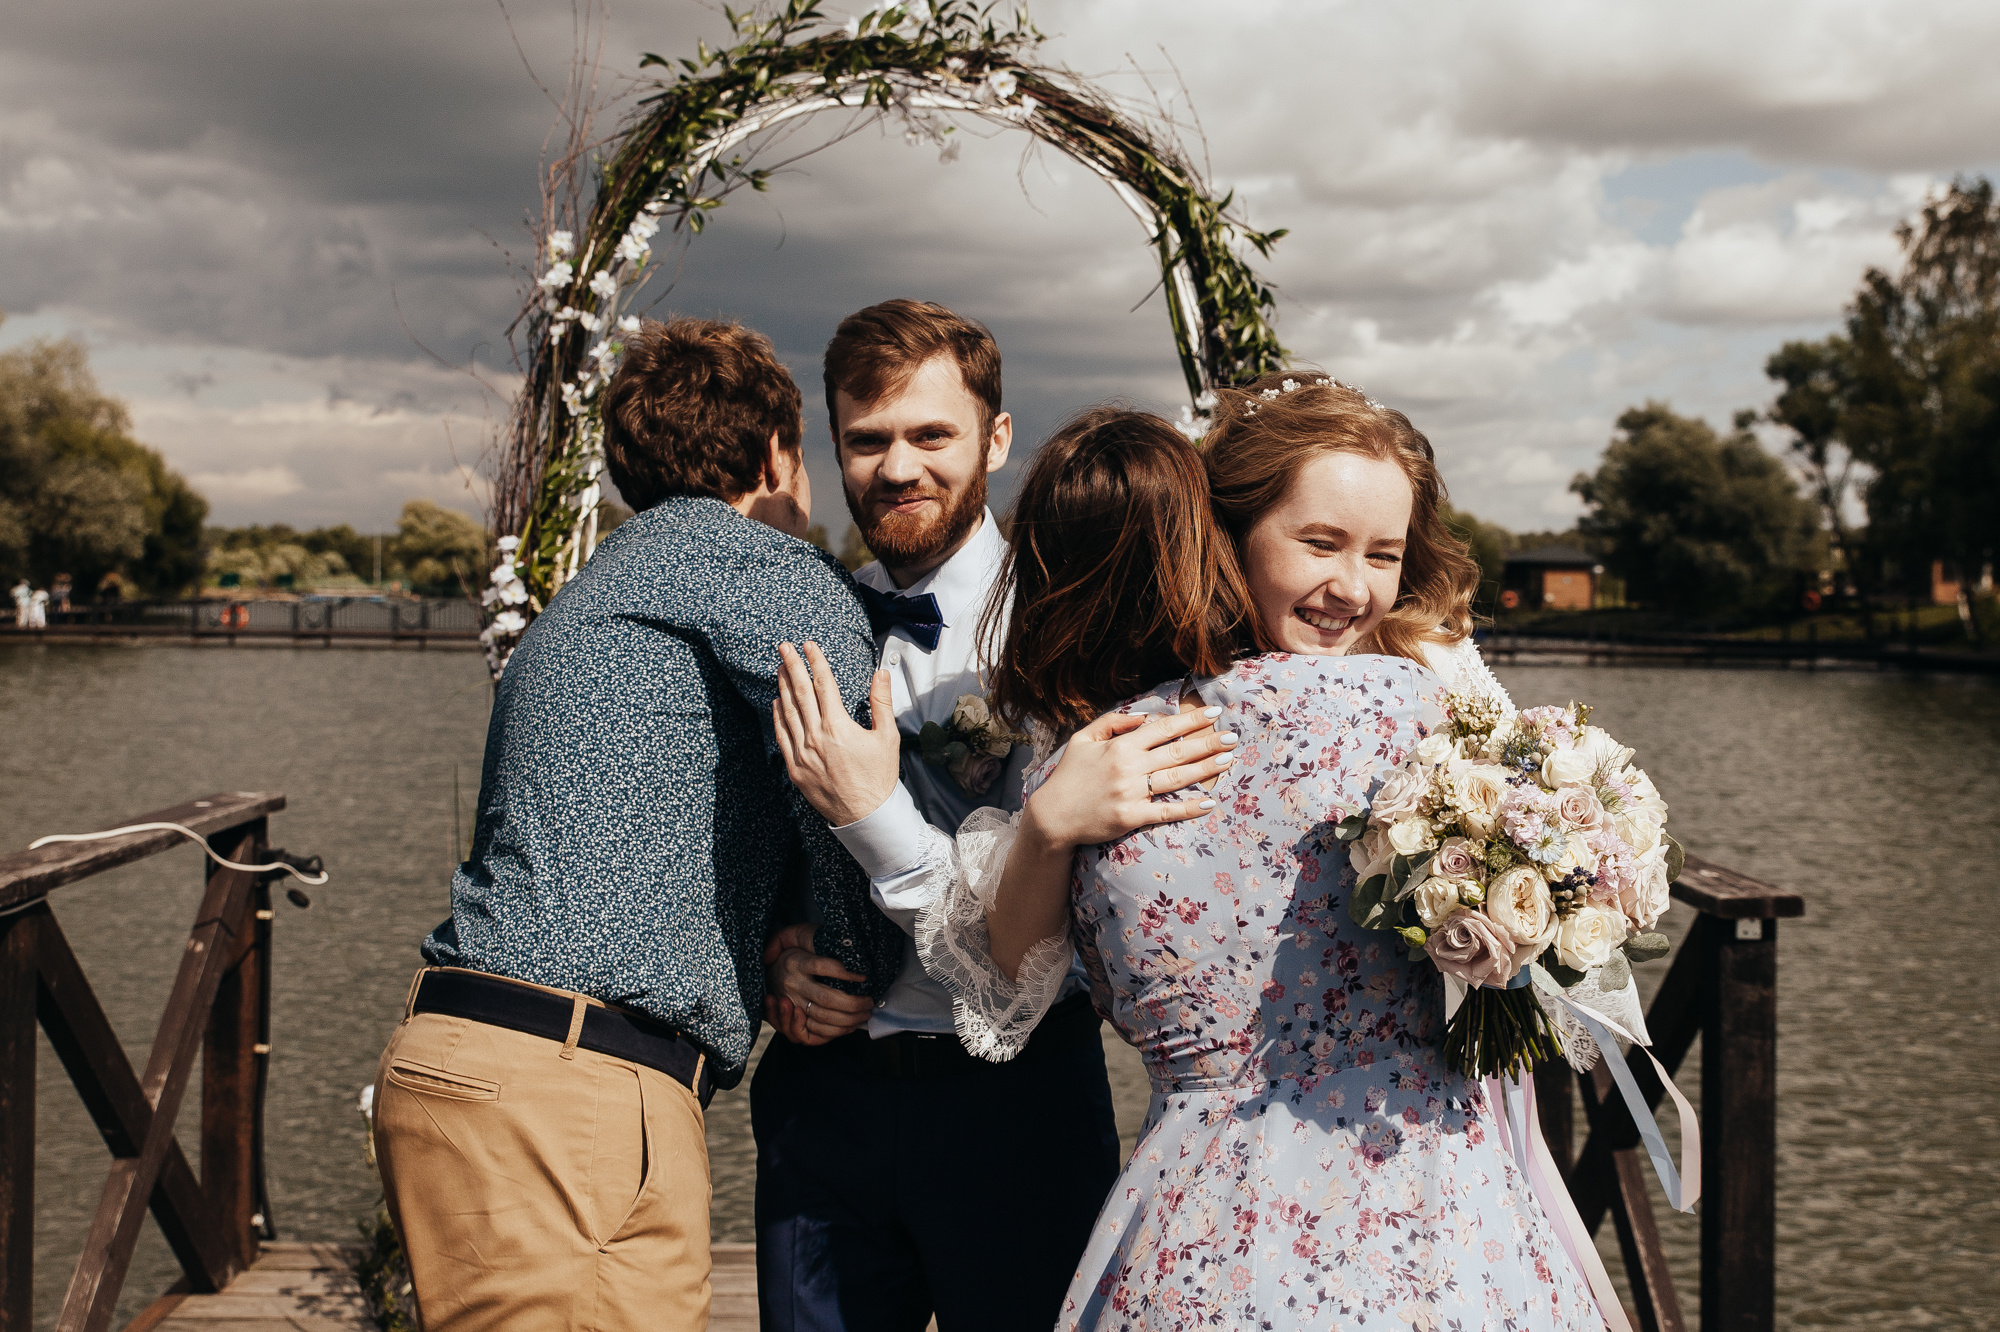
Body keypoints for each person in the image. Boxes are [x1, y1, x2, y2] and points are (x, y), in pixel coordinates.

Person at [782, 387, 1600, 1328]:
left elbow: (1006, 987)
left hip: (1206, 1215)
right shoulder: (1431, 721)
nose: (1354, 587)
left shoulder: (1111, 736)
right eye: (1321, 544)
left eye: (1384, 555)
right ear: (1229, 535)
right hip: (1442, 1215)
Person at [369, 316, 907, 1332]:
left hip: (452, 1057)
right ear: (775, 454)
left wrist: (766, 948)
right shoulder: (765, 571)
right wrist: (850, 967)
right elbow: (842, 776)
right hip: (575, 1091)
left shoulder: (592, 593)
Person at [752, 304, 1226, 1332]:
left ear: (996, 440)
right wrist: (773, 954)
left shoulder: (1066, 630)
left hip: (1017, 1103)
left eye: (931, 435)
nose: (897, 468)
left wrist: (873, 810)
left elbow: (1052, 933)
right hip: (822, 1102)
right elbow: (745, 838)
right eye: (867, 441)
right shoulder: (792, 620)